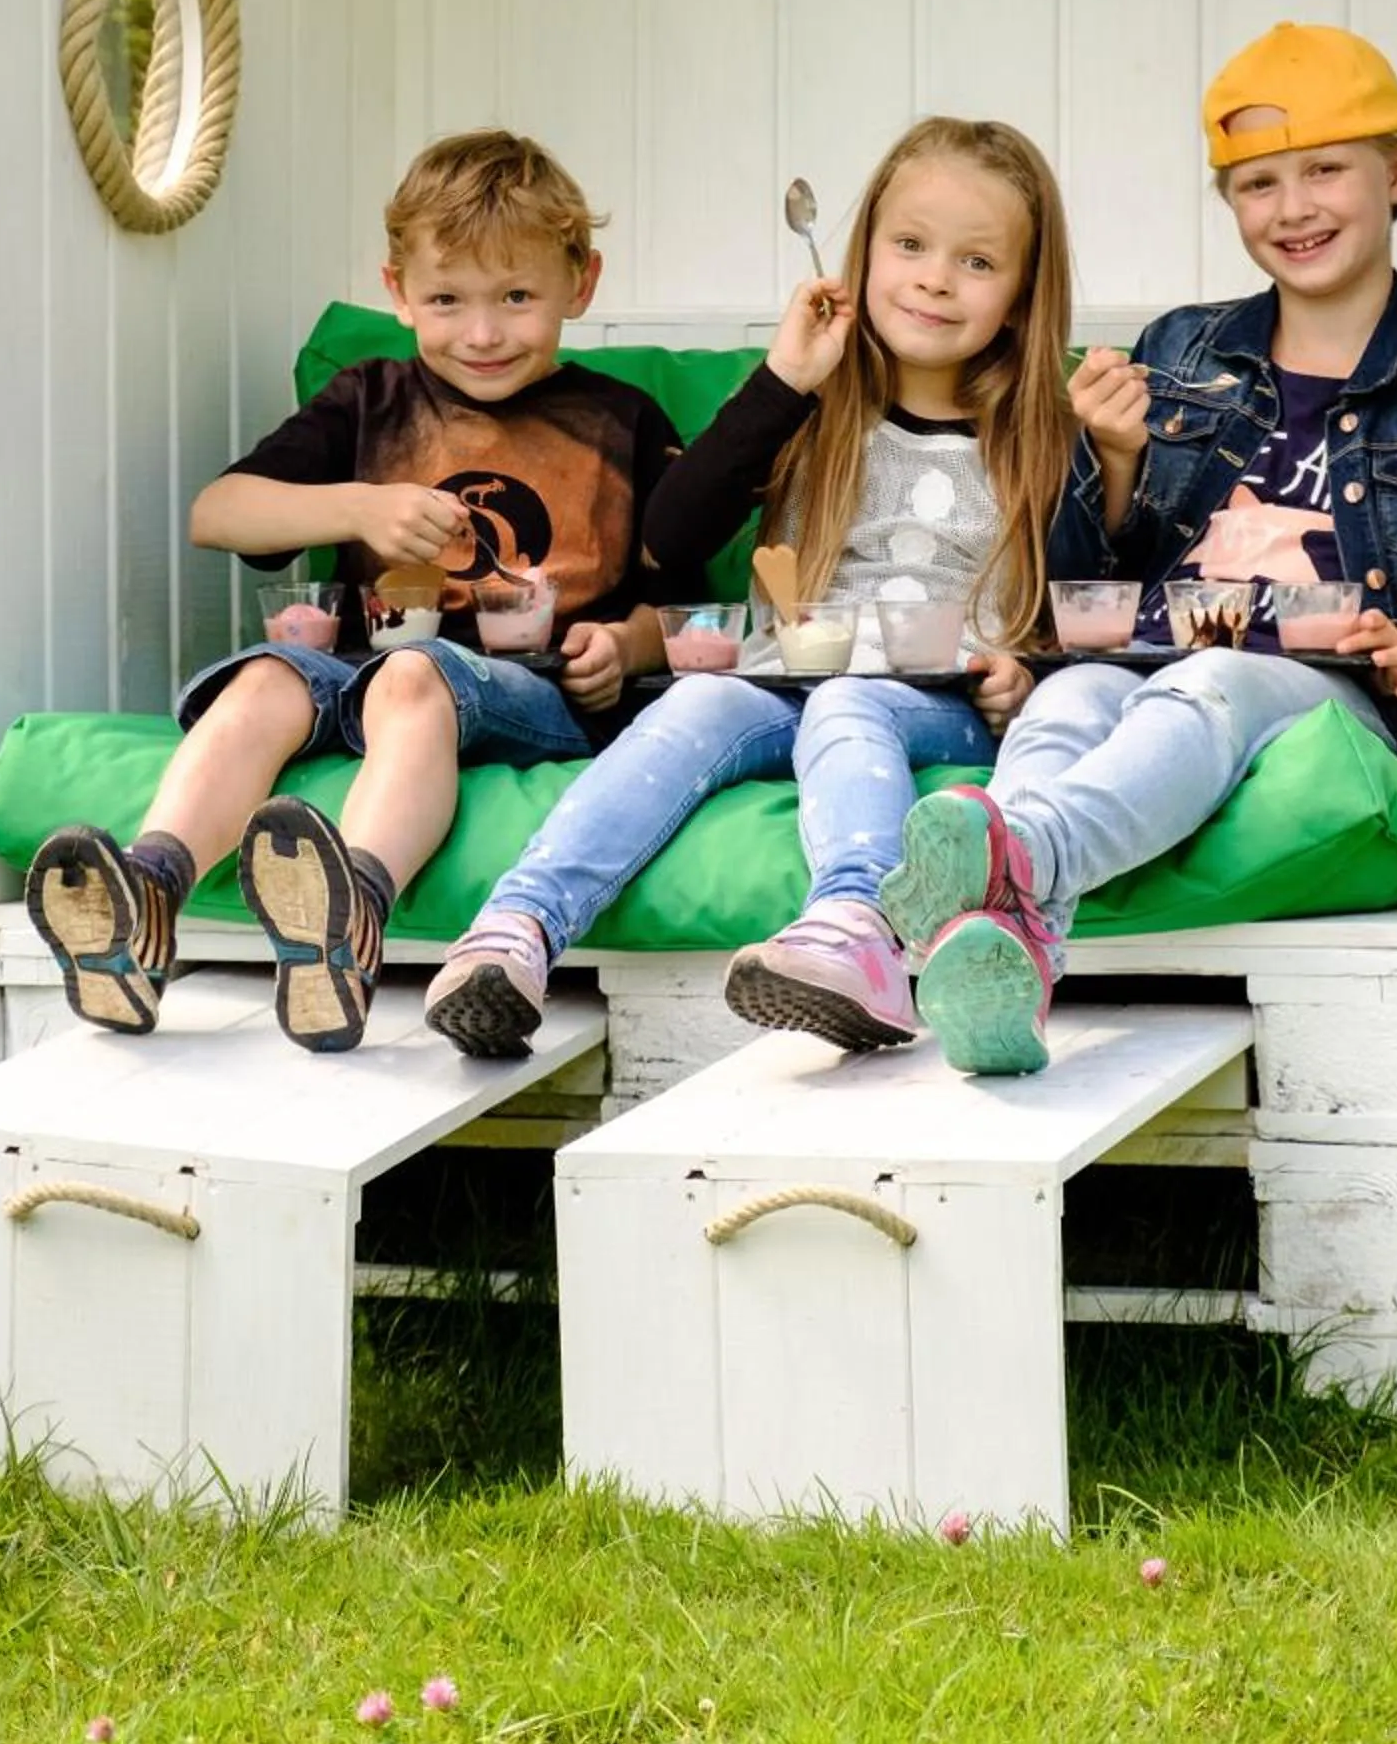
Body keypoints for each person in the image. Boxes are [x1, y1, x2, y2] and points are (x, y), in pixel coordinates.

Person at [23, 130, 699, 1052]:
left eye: (517, 297)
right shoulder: (370, 399)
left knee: (416, 677)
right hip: (353, 666)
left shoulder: (620, 420)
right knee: (264, 680)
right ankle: (147, 896)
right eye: (447, 300)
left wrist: (624, 649)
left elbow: (690, 609)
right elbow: (217, 513)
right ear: (397, 293)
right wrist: (357, 508)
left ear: (580, 285)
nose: (484, 331)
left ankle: (348, 919)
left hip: (530, 693)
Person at [424, 116, 1079, 1059]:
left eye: (976, 263)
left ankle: (858, 932)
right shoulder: (810, 405)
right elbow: (669, 537)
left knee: (852, 702)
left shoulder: (1044, 435)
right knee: (691, 708)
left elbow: (1083, 593)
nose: (934, 277)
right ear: (861, 256)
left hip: (931, 695)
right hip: (783, 680)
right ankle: (516, 932)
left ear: (1021, 296)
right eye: (908, 245)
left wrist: (1028, 667)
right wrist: (782, 380)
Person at [883, 22, 1397, 1077]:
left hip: (1319, 678)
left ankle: (1019, 853)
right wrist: (1112, 455)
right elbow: (1081, 579)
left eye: (1325, 170)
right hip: (1147, 653)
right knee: (1063, 700)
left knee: (1213, 683)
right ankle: (1010, 948)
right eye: (1255, 183)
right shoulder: (1181, 346)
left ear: (1396, 172)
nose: (1292, 209)